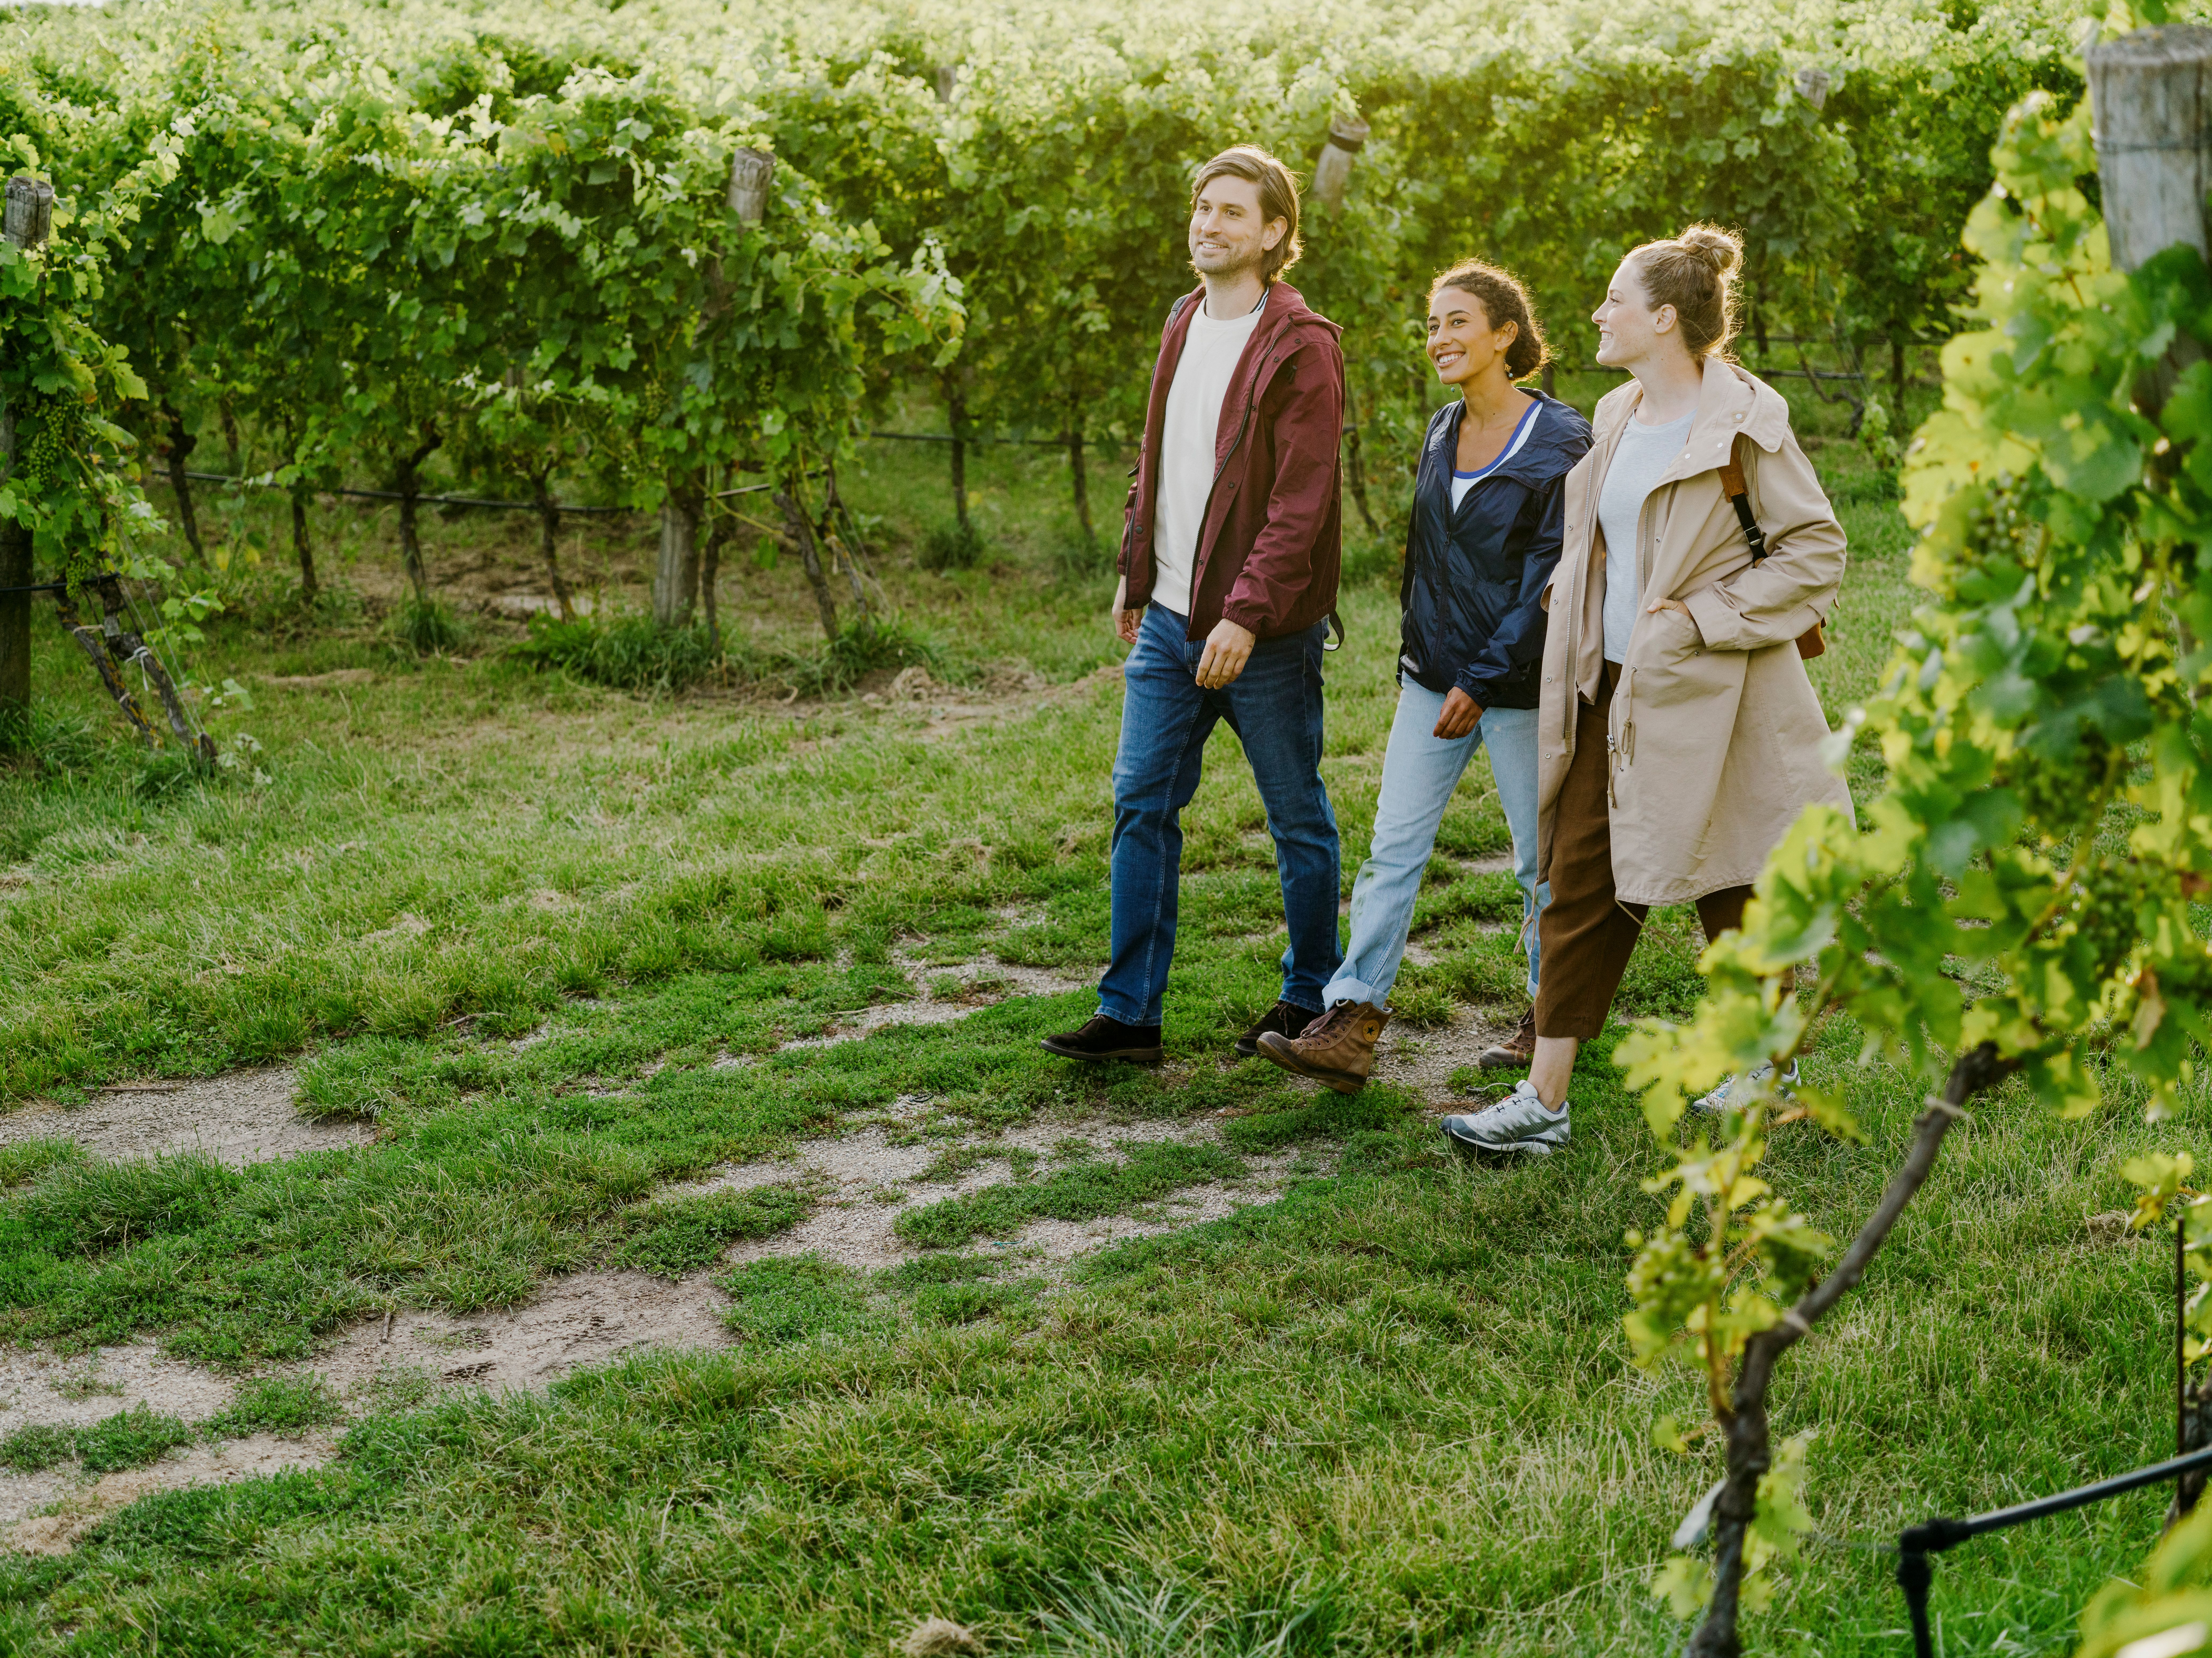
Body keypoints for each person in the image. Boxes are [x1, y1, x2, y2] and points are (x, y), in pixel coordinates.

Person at [1440, 224, 1852, 1156]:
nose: (1597, 312)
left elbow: (1816, 550)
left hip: (1712, 688)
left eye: (1615, 300)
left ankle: (1769, 1067)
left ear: (1664, 318)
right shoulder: (1619, 411)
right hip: (1610, 684)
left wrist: (1702, 619)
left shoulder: (1747, 422)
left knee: (1731, 879)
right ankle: (1544, 1100)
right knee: (1581, 878)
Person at [1041, 146, 1347, 1066]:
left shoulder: (1302, 344)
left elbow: (1302, 500)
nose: (1208, 225)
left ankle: (1309, 1000)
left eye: (1231, 213)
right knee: (1140, 804)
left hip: (1262, 635)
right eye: (1202, 208)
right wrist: (1140, 574)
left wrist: (1246, 616)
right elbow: (1160, 458)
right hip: (1171, 620)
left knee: (1295, 814)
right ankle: (1131, 1015)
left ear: (1275, 233)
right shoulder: (1182, 318)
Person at [1255, 261, 1589, 1093]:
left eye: (1457, 322)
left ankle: (1549, 1014)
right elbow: (1433, 566)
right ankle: (1351, 1022)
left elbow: (1553, 580)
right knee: (1393, 851)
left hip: (1518, 689)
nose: (1439, 338)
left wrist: (1482, 676)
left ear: (1506, 335)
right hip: (1429, 681)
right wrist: (1429, 664)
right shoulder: (1442, 429)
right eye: (1433, 325)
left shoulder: (1564, 442)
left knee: (1534, 864)